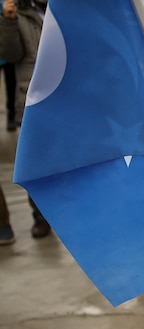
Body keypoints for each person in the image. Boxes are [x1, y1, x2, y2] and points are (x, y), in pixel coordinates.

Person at [0, 0, 50, 238]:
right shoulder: (17, 12)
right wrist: (8, 21)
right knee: (36, 163)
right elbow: (10, 54)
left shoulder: (64, 7)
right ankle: (40, 217)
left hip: (69, 96)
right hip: (33, 98)